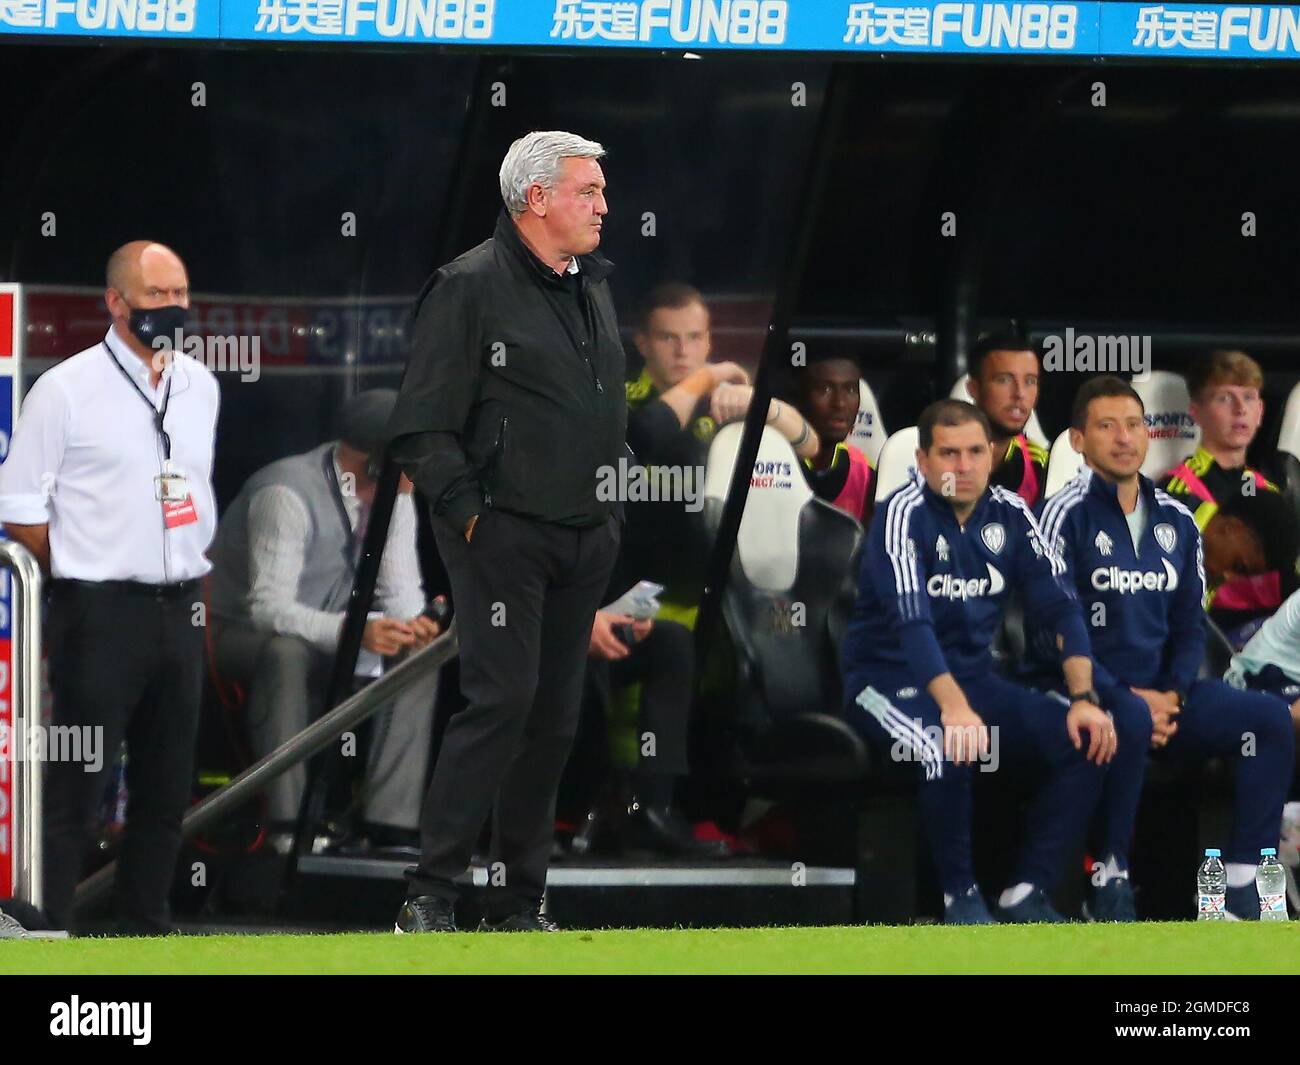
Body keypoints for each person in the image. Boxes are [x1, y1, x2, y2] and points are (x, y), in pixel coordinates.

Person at [386, 131, 625, 933]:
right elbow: (420, 425)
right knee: (502, 702)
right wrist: (473, 518)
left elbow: (596, 406)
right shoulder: (468, 286)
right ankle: (429, 893)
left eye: (600, 189)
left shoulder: (590, 283)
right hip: (503, 533)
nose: (602, 204)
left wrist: (611, 502)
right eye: (587, 190)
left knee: (556, 716)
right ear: (537, 200)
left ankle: (520, 901)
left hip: (584, 532)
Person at [0, 241, 219, 934]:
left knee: (166, 785)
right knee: (78, 778)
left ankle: (143, 926)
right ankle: (48, 922)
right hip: (97, 609)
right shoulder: (66, 389)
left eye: (180, 293)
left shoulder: (201, 385)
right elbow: (22, 511)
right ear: (116, 302)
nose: (172, 308)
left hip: (179, 604)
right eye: (156, 295)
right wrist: (82, 574)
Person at [840, 399, 1115, 925]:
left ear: (991, 455)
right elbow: (911, 622)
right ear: (923, 461)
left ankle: (1026, 892)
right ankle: (959, 899)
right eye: (948, 454)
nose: (962, 467)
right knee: (948, 745)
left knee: (1083, 741)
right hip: (885, 681)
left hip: (973, 679)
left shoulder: (1012, 513)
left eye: (973, 452)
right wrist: (953, 708)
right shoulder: (902, 514)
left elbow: (1061, 607)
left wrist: (1083, 698)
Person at [1037, 376, 1294, 921]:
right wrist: (1124, 694)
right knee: (1127, 714)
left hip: (1169, 698)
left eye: (1134, 424)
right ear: (1079, 440)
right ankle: (1110, 876)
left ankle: (1243, 882)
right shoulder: (1062, 514)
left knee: (1268, 719)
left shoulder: (1177, 519)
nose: (1124, 438)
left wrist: (1173, 694)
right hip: (1089, 693)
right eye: (1106, 426)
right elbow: (1054, 625)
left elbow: (1188, 625)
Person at [207, 389, 442, 854]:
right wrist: (354, 634)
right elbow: (269, 609)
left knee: (419, 656)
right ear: (378, 463)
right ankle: (289, 827)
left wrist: (411, 626)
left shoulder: (394, 496)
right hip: (241, 636)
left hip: (331, 635)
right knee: (286, 652)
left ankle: (388, 825)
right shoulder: (285, 492)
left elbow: (399, 591)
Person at [623, 282, 818, 625]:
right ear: (643, 343)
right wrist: (706, 377)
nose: (682, 350)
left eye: (694, 337)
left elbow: (810, 447)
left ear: (709, 341)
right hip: (631, 581)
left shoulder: (728, 399)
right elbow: (644, 435)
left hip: (719, 586)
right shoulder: (617, 394)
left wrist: (764, 407)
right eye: (668, 338)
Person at [1162, 350, 1297, 645]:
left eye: (1248, 398)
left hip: (1278, 638)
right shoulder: (1173, 492)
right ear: (1196, 411)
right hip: (1208, 641)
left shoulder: (1272, 493)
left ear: (1261, 411)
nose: (1240, 409)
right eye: (1224, 398)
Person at [788, 351, 874, 526]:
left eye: (850, 390)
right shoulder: (772, 464)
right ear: (799, 398)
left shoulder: (864, 474)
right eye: (825, 389)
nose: (840, 403)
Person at [964, 332, 1048, 508]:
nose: (1019, 393)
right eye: (1004, 380)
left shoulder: (1039, 463)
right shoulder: (941, 457)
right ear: (973, 388)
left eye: (1030, 381)